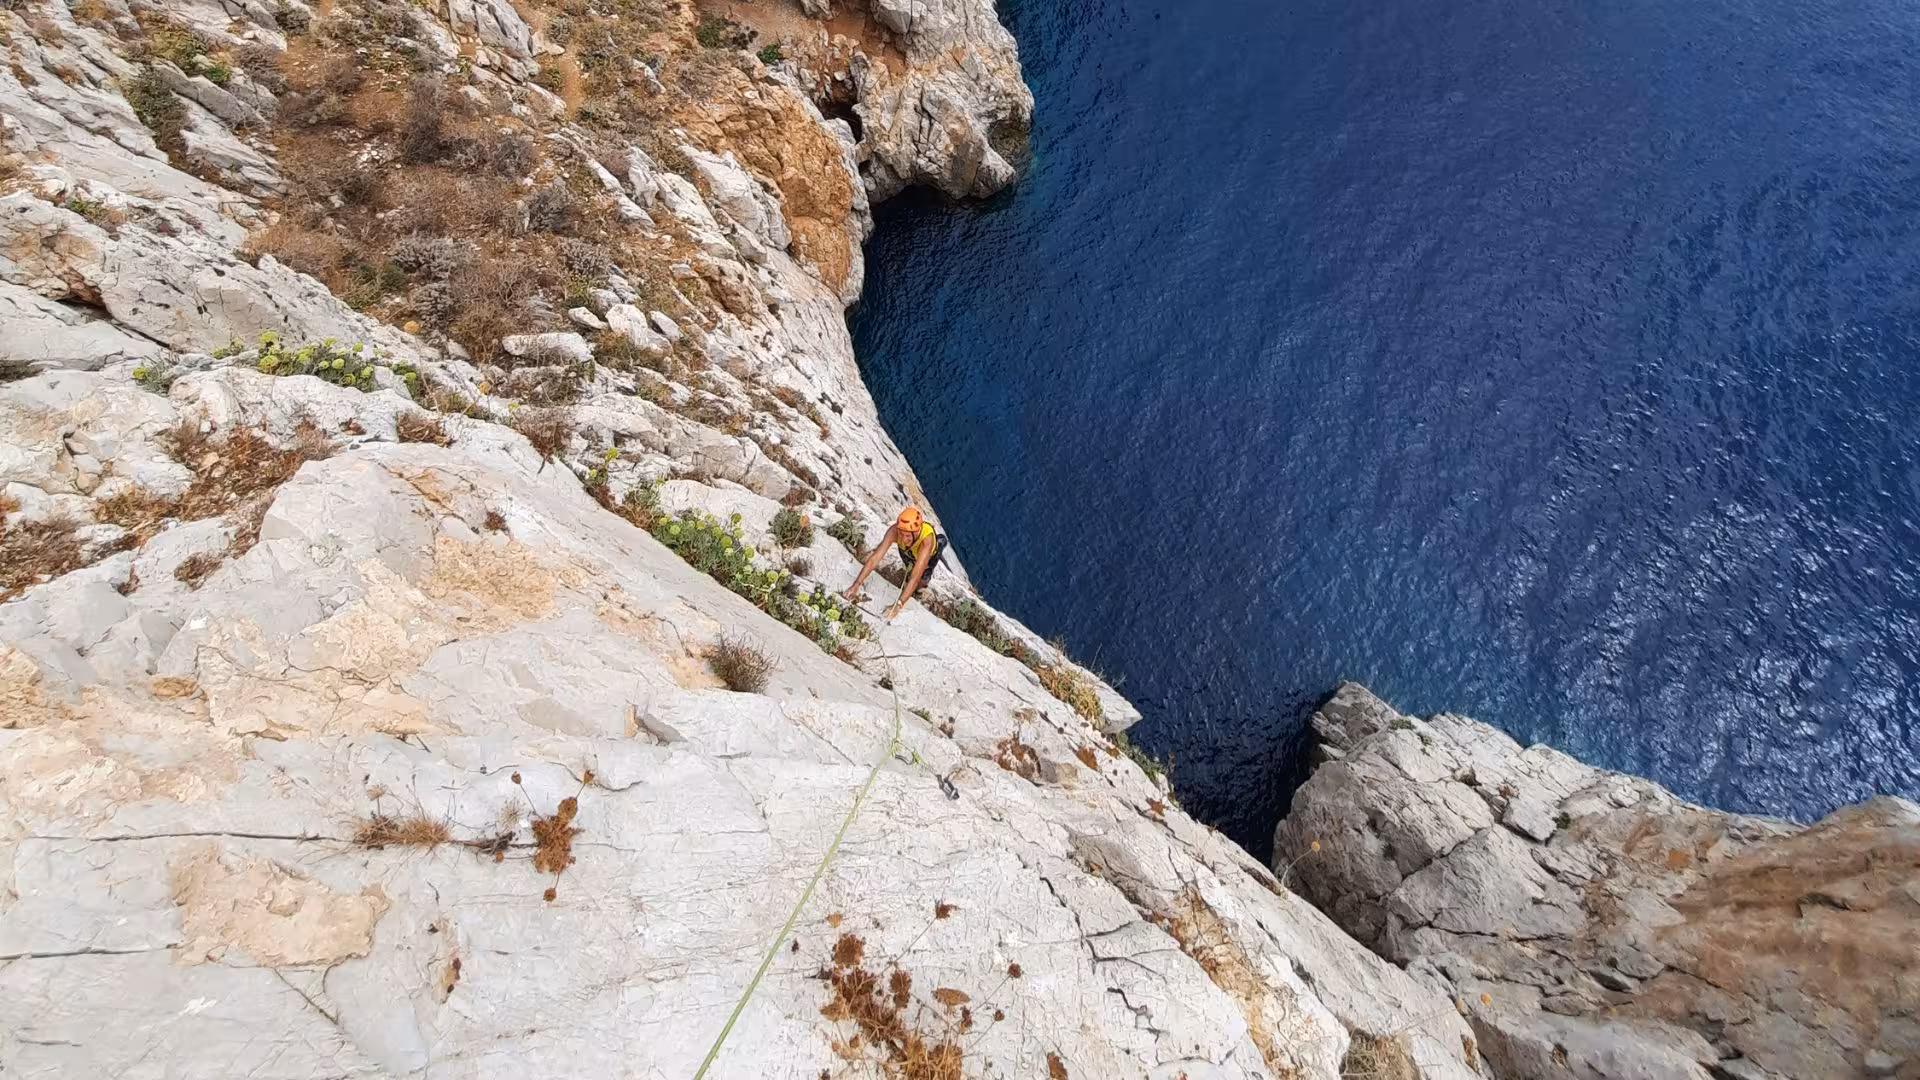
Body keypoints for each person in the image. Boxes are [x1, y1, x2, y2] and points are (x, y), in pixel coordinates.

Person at [842, 506, 947, 619]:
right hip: (908, 551)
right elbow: (875, 558)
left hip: (929, 554)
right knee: (910, 568)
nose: (903, 538)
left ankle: (940, 543)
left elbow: (915, 578)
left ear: (916, 533)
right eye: (901, 534)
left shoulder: (926, 542)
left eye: (907, 535)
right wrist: (856, 585)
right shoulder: (895, 531)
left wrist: (898, 605)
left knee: (922, 578)